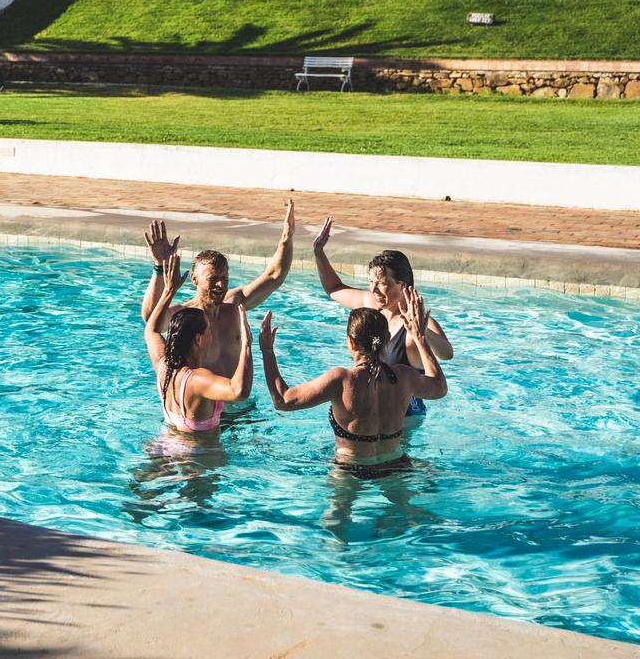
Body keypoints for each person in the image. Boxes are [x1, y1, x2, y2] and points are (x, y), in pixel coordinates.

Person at [258, 296, 447, 477]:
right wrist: (420, 338)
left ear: (351, 342)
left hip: (351, 468)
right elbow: (439, 388)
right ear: (387, 338)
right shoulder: (404, 376)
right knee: (406, 509)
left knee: (339, 511)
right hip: (396, 464)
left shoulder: (341, 380)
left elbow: (283, 400)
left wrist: (267, 351)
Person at [139, 200, 297, 397]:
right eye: (213, 279)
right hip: (205, 410)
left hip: (241, 408)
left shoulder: (234, 305)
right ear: (194, 279)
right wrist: (159, 267)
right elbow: (150, 319)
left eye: (224, 279)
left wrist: (287, 237)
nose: (221, 285)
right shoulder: (184, 317)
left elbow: (274, 276)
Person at [312, 228, 453, 424]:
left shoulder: (418, 324)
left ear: (402, 285)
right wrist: (319, 252)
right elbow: (334, 288)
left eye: (381, 283)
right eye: (371, 282)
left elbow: (446, 354)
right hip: (372, 406)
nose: (373, 289)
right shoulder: (371, 305)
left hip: (406, 417)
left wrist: (421, 332)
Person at [144, 253, 251, 434]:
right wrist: (247, 345)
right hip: (199, 458)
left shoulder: (164, 367)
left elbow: (151, 330)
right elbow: (239, 391)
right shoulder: (198, 380)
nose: (212, 333)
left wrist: (169, 291)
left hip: (165, 445)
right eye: (208, 330)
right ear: (198, 339)